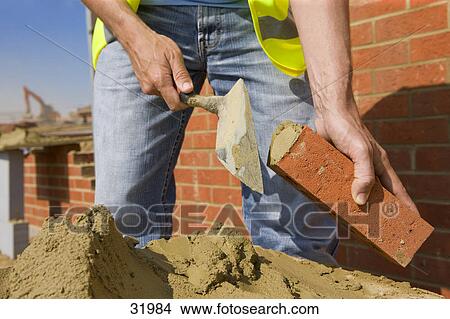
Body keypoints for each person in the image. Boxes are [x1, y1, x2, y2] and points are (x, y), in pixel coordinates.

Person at [81, 0, 418, 264]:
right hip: (138, 19)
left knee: (293, 229)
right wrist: (131, 34)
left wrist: (337, 106)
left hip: (260, 28)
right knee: (121, 218)